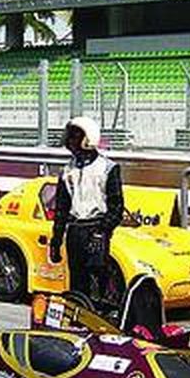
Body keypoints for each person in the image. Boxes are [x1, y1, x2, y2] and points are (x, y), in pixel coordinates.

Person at [48, 116, 125, 307]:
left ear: (88, 138)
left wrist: (102, 231)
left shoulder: (108, 168)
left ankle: (103, 317)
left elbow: (117, 207)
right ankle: (79, 319)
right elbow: (61, 210)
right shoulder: (67, 170)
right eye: (70, 136)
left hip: (96, 228)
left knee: (99, 279)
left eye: (76, 136)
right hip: (75, 230)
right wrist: (56, 241)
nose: (71, 141)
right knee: (77, 281)